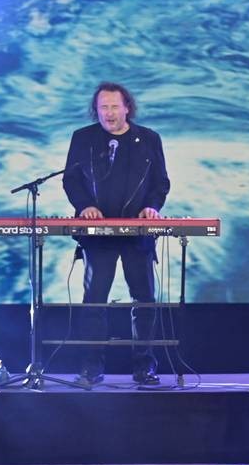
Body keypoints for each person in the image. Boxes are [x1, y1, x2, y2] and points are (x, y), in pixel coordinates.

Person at [63, 81, 170, 386]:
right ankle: (92, 365)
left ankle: (145, 366)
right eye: (102, 108)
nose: (108, 113)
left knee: (144, 300)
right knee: (94, 300)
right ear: (95, 110)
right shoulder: (83, 139)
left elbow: (160, 182)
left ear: (127, 108)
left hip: (137, 235)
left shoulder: (148, 139)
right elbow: (71, 180)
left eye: (114, 107)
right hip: (98, 234)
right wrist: (85, 206)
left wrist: (151, 207)